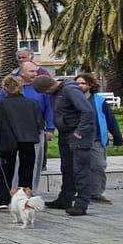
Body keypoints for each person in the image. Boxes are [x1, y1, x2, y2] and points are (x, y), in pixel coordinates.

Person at [32, 75, 96, 216]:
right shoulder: (57, 92)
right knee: (67, 168)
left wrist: (79, 131)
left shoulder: (70, 90)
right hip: (65, 133)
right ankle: (65, 199)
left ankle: (81, 204)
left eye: (45, 92)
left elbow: (87, 111)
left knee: (80, 170)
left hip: (77, 134)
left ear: (49, 87)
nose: (46, 95)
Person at [0, 74, 45, 211]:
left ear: (5, 88)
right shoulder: (32, 103)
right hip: (28, 139)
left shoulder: (2, 105)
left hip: (8, 139)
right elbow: (39, 123)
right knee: (27, 170)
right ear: (21, 87)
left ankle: (3, 199)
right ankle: (24, 199)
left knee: (6, 170)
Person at [75, 73, 123, 204]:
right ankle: (81, 194)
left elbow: (111, 120)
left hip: (96, 140)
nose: (79, 86)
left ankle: (96, 194)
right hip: (78, 140)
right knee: (79, 168)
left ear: (90, 85)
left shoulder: (99, 101)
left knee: (98, 166)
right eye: (77, 83)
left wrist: (117, 138)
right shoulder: (72, 100)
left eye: (82, 83)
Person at [5, 60, 54, 190]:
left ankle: (31, 189)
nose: (35, 74)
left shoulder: (41, 88)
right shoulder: (11, 87)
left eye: (36, 71)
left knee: (34, 161)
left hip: (35, 130)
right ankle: (14, 189)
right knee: (15, 161)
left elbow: (49, 108)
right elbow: (2, 106)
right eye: (31, 71)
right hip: (14, 131)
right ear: (22, 73)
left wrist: (50, 128)